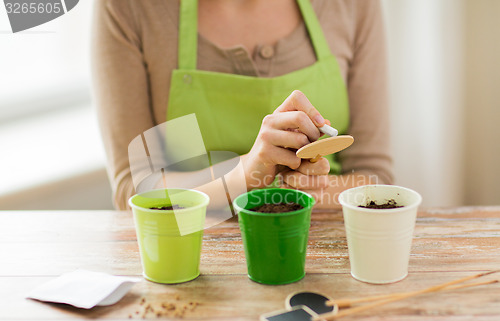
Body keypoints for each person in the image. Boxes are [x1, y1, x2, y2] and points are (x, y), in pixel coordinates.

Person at [92, 0, 393, 210]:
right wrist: (246, 177)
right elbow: (135, 193)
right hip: (193, 253)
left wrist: (292, 191)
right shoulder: (128, 7)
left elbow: (374, 178)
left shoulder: (353, 4)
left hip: (328, 246)